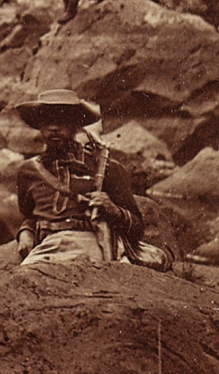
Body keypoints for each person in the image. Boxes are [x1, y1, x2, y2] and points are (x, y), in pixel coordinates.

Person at [15, 94, 142, 265]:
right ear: (39, 126)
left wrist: (112, 209)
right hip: (47, 246)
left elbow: (137, 228)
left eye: (62, 120)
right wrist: (25, 232)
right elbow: (29, 216)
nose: (54, 127)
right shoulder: (28, 170)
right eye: (47, 121)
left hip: (92, 243)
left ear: (76, 124)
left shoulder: (106, 168)